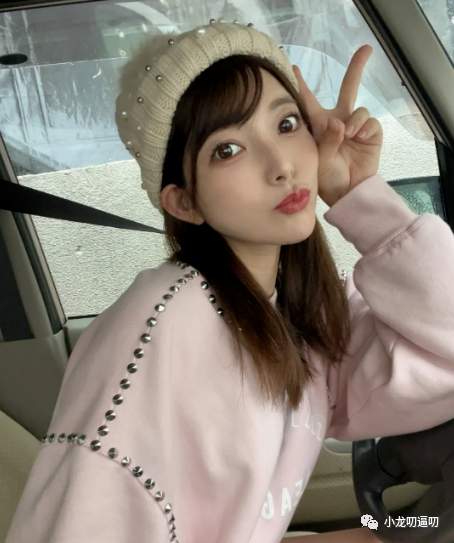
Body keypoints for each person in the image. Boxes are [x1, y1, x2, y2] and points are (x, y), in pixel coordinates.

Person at [5, 19, 454, 543]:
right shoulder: (162, 328)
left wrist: (359, 194)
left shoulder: (299, 310)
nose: (281, 165)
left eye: (286, 124)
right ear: (184, 202)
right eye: (227, 150)